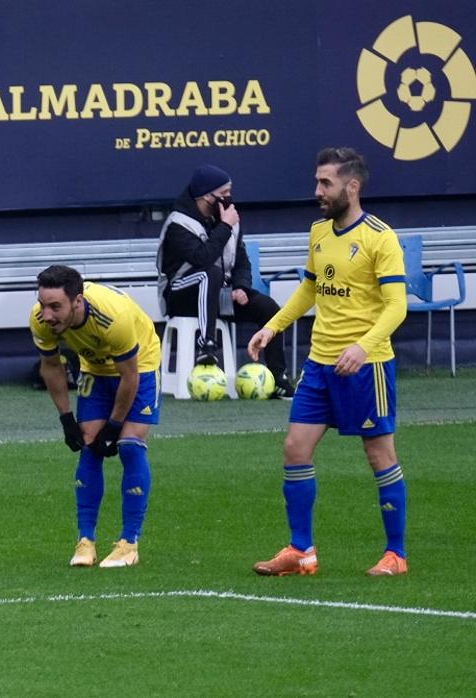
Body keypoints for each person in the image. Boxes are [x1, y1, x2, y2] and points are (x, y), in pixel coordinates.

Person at [248, 147, 409, 577]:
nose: (317, 190)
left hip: (366, 365)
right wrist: (274, 326)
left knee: (379, 455)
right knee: (295, 449)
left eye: (326, 183)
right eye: (318, 181)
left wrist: (363, 345)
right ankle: (301, 551)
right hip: (319, 364)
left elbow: (397, 307)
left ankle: (396, 554)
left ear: (351, 187)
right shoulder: (319, 230)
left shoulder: (380, 237)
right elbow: (309, 290)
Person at [31, 265, 161, 569]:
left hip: (138, 364)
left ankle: (129, 543)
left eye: (55, 306)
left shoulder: (112, 318)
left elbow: (129, 377)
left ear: (77, 302)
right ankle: (86, 540)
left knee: (129, 443)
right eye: (42, 304)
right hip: (94, 368)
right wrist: (66, 420)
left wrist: (114, 426)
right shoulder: (40, 321)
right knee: (89, 445)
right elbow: (51, 367)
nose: (47, 315)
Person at [156, 165, 293, 397]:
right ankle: (206, 345)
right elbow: (202, 259)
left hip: (217, 292)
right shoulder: (178, 223)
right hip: (180, 294)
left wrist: (241, 287)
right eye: (223, 193)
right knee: (209, 273)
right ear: (205, 196)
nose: (228, 199)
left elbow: (241, 261)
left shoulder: (229, 219)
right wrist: (225, 226)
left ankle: (278, 377)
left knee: (268, 308)